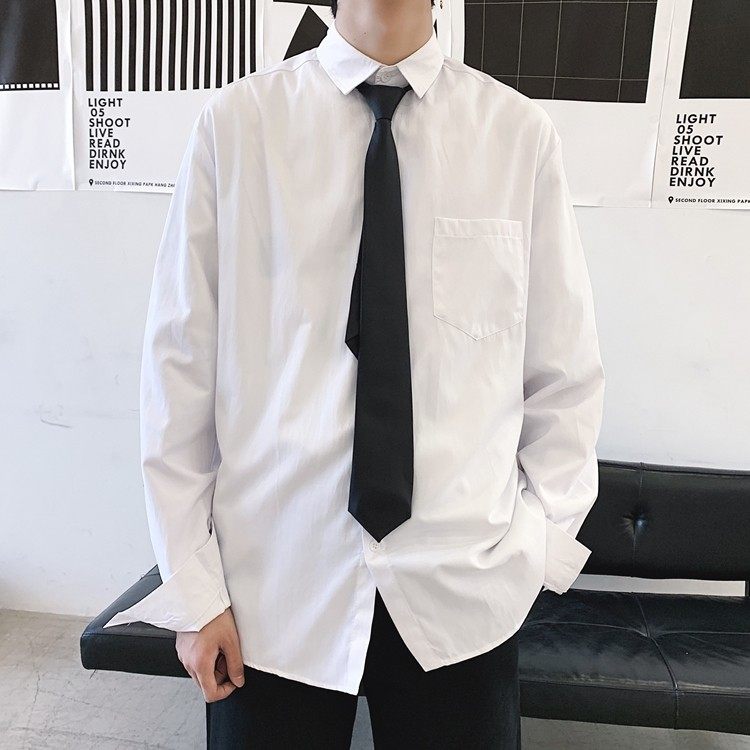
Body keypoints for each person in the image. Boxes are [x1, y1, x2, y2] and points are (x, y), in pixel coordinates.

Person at [103, 0, 606, 747]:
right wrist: (193, 589)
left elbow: (563, 371)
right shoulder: (236, 129)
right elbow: (179, 373)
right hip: (271, 590)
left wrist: (535, 548)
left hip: (462, 588)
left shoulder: (516, 136)